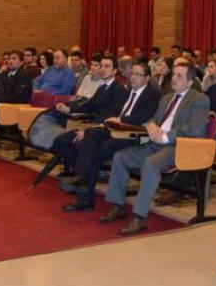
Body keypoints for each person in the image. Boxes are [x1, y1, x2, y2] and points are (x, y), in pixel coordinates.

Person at [100, 63, 210, 235]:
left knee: (150, 164)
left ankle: (139, 217)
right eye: (173, 74)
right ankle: (118, 205)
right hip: (154, 143)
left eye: (179, 76)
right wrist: (151, 125)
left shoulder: (199, 99)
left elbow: (195, 129)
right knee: (120, 157)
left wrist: (167, 136)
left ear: (190, 82)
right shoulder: (166, 98)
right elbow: (155, 119)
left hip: (178, 146)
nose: (174, 78)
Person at [59, 62, 161, 211]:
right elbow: (115, 113)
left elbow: (144, 116)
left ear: (147, 78)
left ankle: (82, 187)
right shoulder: (128, 92)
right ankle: (82, 186)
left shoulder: (152, 94)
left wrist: (121, 120)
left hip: (140, 134)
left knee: (93, 148)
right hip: (119, 129)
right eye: (132, 73)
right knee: (89, 135)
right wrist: (110, 123)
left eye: (138, 75)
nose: (133, 77)